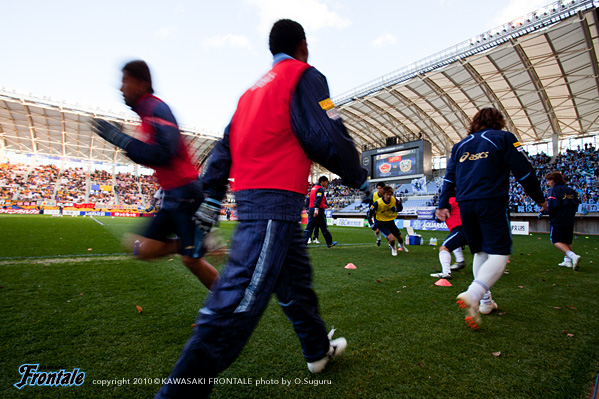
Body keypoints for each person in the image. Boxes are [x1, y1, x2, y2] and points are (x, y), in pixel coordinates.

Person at [155, 19, 368, 399]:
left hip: (259, 200)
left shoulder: (250, 92)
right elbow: (325, 130)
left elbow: (224, 148)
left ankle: (317, 350)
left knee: (295, 284)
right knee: (235, 304)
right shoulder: (304, 75)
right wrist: (358, 175)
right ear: (303, 45)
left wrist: (212, 197)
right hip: (274, 200)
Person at [93, 60, 218, 290]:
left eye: (125, 81)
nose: (121, 88)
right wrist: (131, 148)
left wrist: (125, 142)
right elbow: (155, 154)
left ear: (141, 83)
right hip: (173, 197)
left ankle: (232, 304)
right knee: (142, 248)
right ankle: (189, 243)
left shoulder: (156, 108)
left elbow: (165, 153)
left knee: (192, 261)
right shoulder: (146, 113)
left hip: (186, 195)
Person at [436, 107, 546, 330]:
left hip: (465, 205)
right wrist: (540, 199)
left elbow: (448, 179)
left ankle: (485, 302)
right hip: (491, 201)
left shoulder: (460, 146)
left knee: (480, 252)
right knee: (500, 252)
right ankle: (474, 294)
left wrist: (442, 204)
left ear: (475, 122)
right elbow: (524, 171)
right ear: (499, 122)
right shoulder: (503, 138)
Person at [543, 171, 581, 270]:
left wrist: (544, 211)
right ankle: (567, 261)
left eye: (549, 180)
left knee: (555, 240)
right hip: (570, 218)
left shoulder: (554, 190)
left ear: (554, 180)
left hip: (558, 218)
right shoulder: (571, 190)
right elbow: (576, 203)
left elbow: (552, 205)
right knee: (566, 240)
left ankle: (572, 256)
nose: (548, 183)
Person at [430, 196, 467, 280]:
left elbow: (439, 217)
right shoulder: (459, 199)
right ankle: (460, 261)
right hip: (471, 227)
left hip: (461, 228)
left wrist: (437, 213)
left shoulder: (450, 200)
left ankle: (446, 272)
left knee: (444, 248)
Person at [370, 186, 406, 256]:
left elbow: (400, 207)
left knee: (400, 238)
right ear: (383, 195)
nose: (389, 196)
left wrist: (396, 209)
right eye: (387, 194)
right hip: (381, 223)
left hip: (390, 221)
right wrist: (371, 223)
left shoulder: (394, 199)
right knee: (391, 239)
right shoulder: (378, 202)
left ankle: (402, 246)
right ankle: (393, 248)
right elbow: (369, 212)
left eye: (390, 194)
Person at [303, 176, 336, 247]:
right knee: (324, 227)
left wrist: (323, 205)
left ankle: (303, 243)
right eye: (326, 182)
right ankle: (329, 243)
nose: (326, 184)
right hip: (318, 211)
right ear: (322, 181)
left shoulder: (313, 188)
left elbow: (312, 199)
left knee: (309, 228)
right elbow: (317, 199)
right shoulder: (320, 189)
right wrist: (317, 209)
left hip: (311, 209)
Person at [367, 182, 386, 246]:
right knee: (377, 231)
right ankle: (378, 239)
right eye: (377, 188)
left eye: (380, 188)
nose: (379, 190)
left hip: (386, 215)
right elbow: (370, 206)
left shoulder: (387, 195)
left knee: (388, 230)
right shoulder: (374, 195)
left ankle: (391, 244)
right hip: (377, 215)